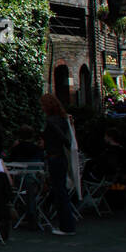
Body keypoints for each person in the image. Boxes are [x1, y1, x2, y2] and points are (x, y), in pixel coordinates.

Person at [41, 93, 77, 236]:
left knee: (59, 192)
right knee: (61, 191)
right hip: (60, 157)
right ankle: (67, 224)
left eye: (43, 105)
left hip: (55, 157)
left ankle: (66, 226)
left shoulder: (51, 121)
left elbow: (61, 137)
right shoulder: (63, 118)